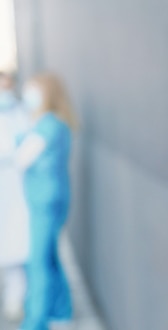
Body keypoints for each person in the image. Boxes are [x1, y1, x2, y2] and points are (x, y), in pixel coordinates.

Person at [17, 72, 76, 330]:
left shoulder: (47, 125)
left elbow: (22, 159)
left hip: (45, 202)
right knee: (49, 257)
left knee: (38, 262)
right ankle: (61, 312)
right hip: (52, 199)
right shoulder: (54, 123)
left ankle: (36, 322)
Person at [0, 71, 30, 321]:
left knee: (13, 247)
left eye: (7, 84)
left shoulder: (19, 111)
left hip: (13, 184)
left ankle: (14, 302)